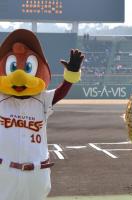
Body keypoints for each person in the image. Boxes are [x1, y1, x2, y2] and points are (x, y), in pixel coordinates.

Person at [0, 29, 83, 200]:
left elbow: (61, 92)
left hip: (36, 174)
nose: (19, 75)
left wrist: (70, 76)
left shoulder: (42, 99)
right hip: (3, 172)